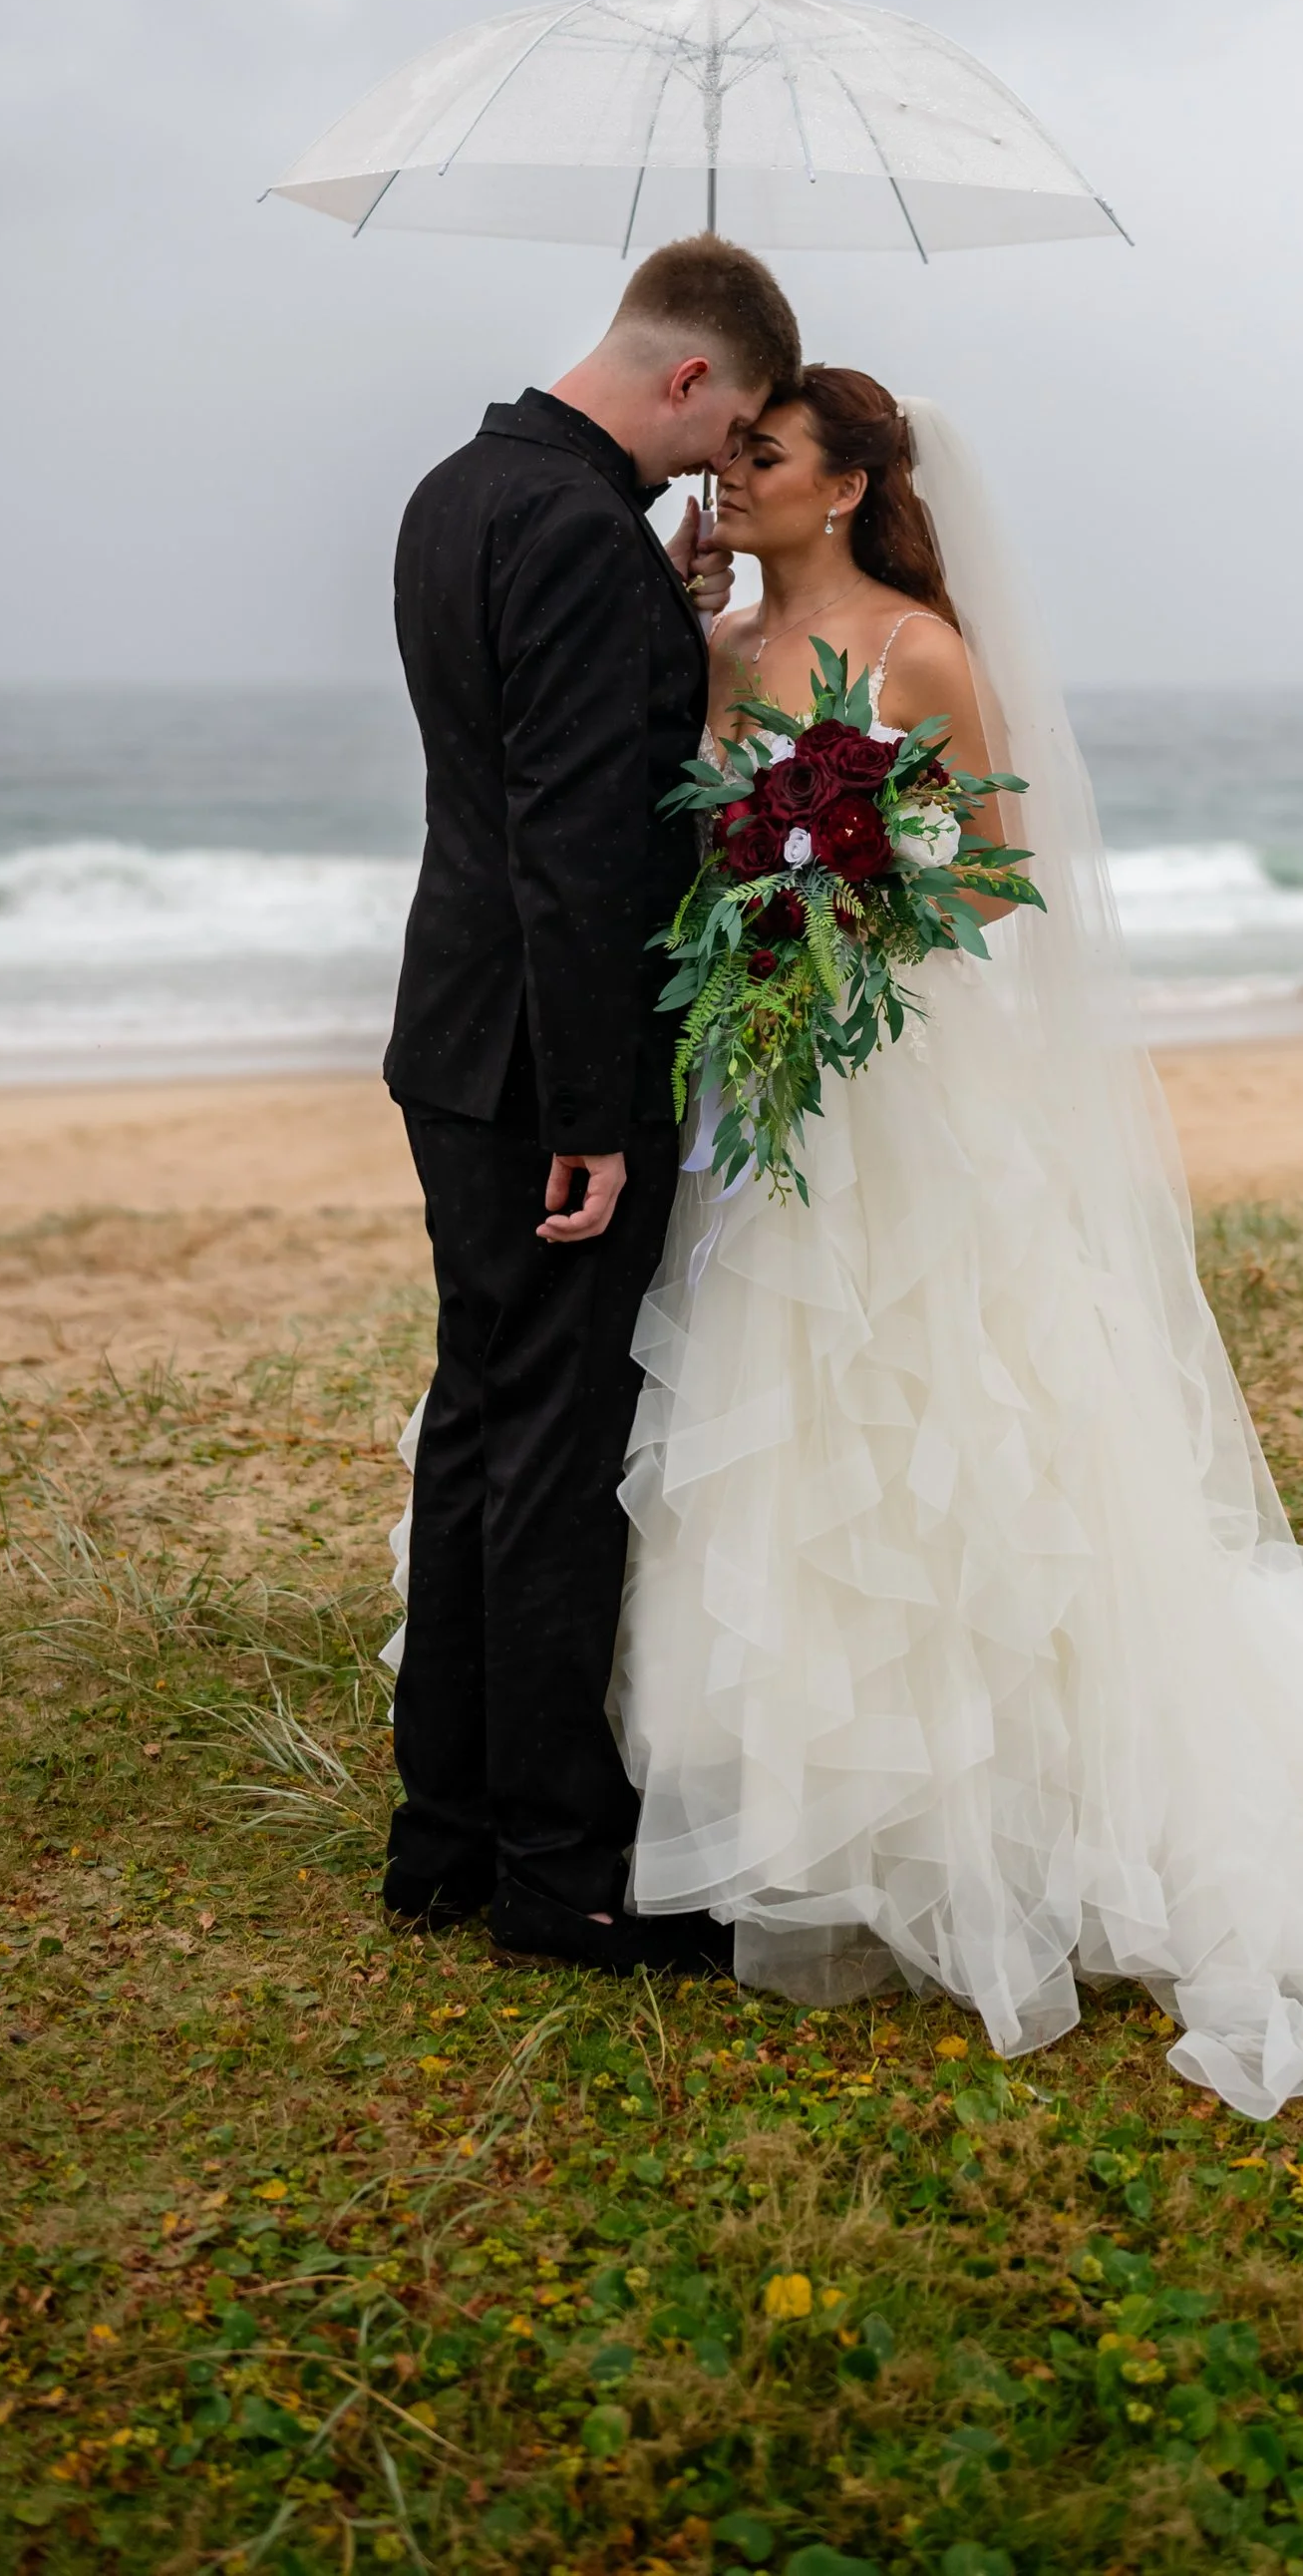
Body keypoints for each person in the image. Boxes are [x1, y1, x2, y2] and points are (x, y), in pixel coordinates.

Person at [613, 370, 1303, 2112]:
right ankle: (792, 1803)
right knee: (771, 1408)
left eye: (761, 456)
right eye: (730, 451)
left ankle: (1001, 1806)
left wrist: (852, 892)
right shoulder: (722, 641)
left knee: (942, 1410)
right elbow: (685, 830)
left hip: (892, 1073)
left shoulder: (919, 651)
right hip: (765, 1083)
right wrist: (738, 822)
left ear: (841, 489)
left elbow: (996, 869)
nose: (727, 475)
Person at [381, 234, 800, 1974]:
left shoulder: (459, 489)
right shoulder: (571, 529)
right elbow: (571, 833)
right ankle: (564, 1872)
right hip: (540, 1064)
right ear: (689, 375)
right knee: (552, 1459)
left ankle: (446, 1832)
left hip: (452, 1036)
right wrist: (598, 1106)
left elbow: (534, 752)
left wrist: (667, 613)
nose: (729, 460)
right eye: (737, 424)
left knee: (484, 1417)